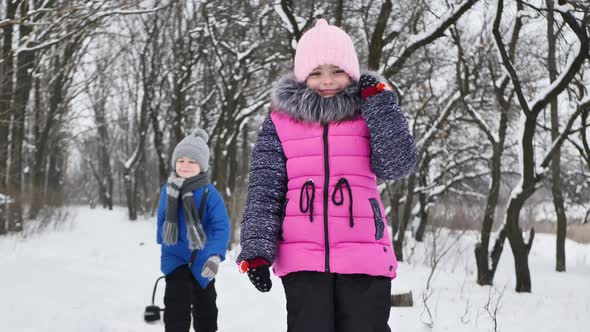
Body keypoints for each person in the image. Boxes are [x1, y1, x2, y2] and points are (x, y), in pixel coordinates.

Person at [237, 18, 418, 332]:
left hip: (364, 254)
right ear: (302, 76)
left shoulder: (367, 113)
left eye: (337, 71)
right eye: (316, 73)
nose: (327, 81)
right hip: (302, 259)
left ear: (351, 73)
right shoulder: (279, 123)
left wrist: (381, 104)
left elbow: (397, 164)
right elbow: (265, 189)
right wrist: (257, 249)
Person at [157, 128, 230, 332]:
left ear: (202, 165)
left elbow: (221, 226)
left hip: (203, 258)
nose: (185, 166)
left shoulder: (210, 194)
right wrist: (164, 241)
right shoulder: (169, 190)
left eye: (192, 162)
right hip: (176, 257)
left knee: (206, 308)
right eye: (181, 161)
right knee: (176, 306)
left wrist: (215, 255)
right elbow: (163, 217)